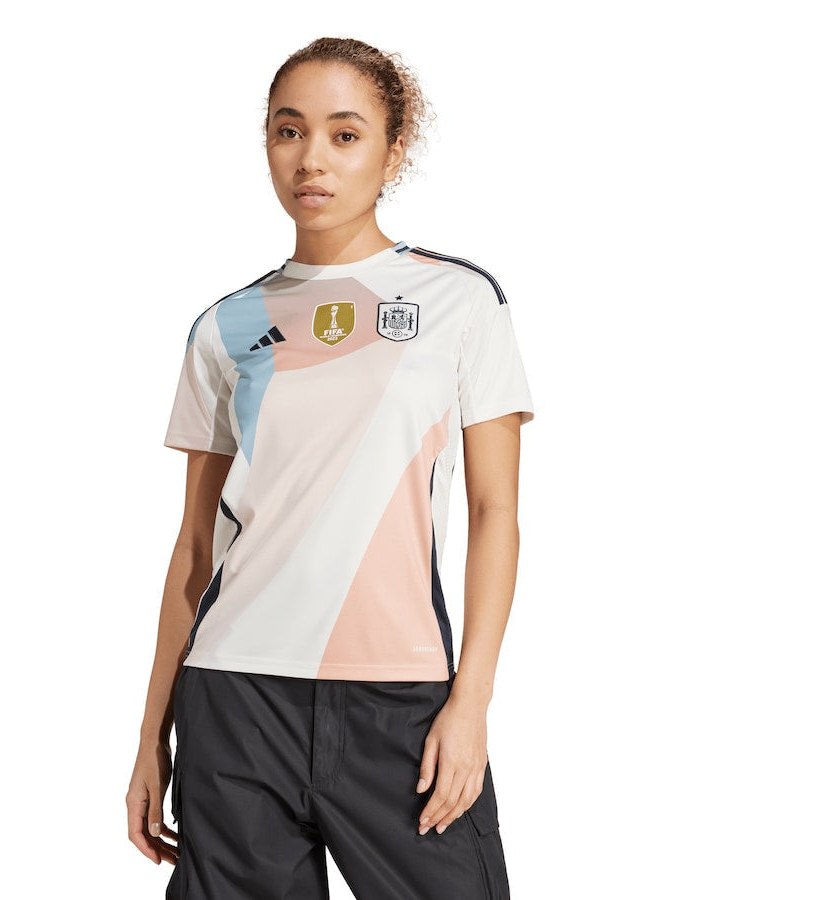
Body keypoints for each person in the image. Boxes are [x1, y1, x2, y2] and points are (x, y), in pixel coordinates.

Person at [126, 36, 535, 899]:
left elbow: (496, 512)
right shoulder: (225, 327)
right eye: (289, 130)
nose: (311, 157)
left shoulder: (460, 301)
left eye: (345, 134)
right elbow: (195, 550)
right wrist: (151, 739)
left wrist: (470, 703)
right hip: (234, 699)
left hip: (402, 698)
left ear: (394, 150)